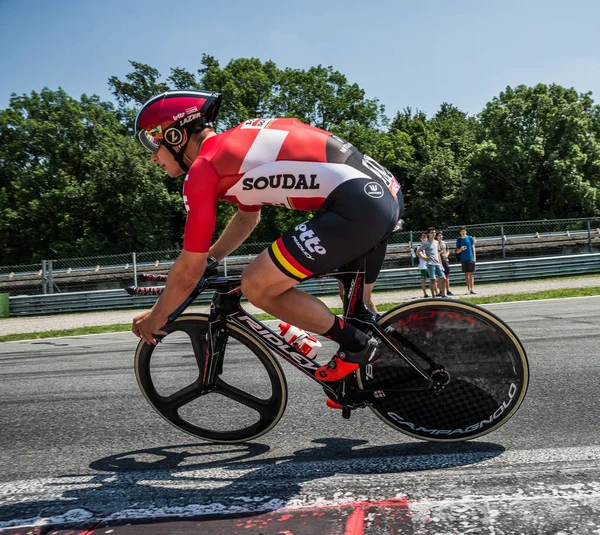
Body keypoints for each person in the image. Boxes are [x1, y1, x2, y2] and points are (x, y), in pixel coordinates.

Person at [131, 90, 404, 385]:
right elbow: (248, 218)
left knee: (257, 285)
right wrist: (212, 258)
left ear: (174, 137)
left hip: (358, 206)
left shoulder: (204, 168)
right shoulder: (234, 147)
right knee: (358, 313)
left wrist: (156, 317)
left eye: (153, 142)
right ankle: (391, 378)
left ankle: (357, 346)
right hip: (383, 193)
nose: (151, 156)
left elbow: (188, 269)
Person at [337, 242, 387, 313]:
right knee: (345, 294)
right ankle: (359, 321)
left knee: (362, 298)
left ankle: (378, 322)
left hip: (370, 241)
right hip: (349, 244)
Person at [418, 227, 446, 297]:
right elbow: (418, 251)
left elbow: (438, 253)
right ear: (428, 234)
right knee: (433, 280)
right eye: (432, 232)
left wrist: (440, 263)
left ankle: (443, 294)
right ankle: (433, 296)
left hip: (437, 263)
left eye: (434, 232)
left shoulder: (436, 242)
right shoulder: (426, 243)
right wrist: (423, 257)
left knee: (443, 278)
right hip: (430, 264)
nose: (433, 234)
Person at [456, 226, 476, 294]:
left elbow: (473, 248)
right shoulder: (459, 240)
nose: (463, 233)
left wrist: (474, 257)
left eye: (464, 231)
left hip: (470, 257)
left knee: (471, 274)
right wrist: (461, 249)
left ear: (466, 231)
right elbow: (457, 252)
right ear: (460, 232)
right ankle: (468, 289)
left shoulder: (469, 238)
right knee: (466, 274)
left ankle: (472, 289)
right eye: (461, 231)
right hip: (463, 258)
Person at [436, 231, 453, 296]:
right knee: (440, 277)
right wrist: (439, 254)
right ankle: (441, 290)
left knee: (447, 276)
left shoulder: (445, 243)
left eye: (441, 235)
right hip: (438, 261)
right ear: (437, 237)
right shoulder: (435, 243)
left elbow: (448, 250)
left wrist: (446, 254)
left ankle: (448, 290)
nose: (440, 237)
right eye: (439, 235)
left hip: (445, 260)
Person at [415, 233, 429, 298]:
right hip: (423, 266)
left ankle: (436, 292)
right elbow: (420, 255)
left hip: (430, 264)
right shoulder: (419, 246)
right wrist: (425, 258)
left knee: (433, 279)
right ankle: (425, 293)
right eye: (423, 238)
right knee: (423, 280)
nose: (424, 239)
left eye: (425, 238)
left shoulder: (429, 245)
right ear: (421, 239)